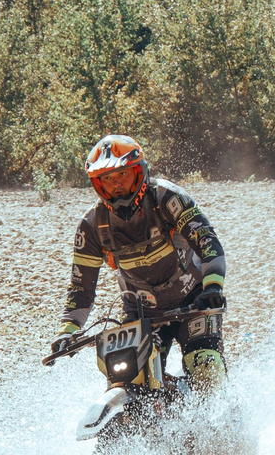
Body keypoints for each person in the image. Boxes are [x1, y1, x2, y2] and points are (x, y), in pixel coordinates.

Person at [48, 134, 229, 390]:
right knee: (127, 379)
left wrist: (213, 288)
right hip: (139, 311)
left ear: (139, 172)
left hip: (194, 300)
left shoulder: (169, 198)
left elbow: (209, 243)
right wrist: (66, 331)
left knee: (205, 366)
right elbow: (81, 290)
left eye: (122, 175)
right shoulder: (90, 226)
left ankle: (226, 424)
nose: (116, 186)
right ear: (98, 185)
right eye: (107, 180)